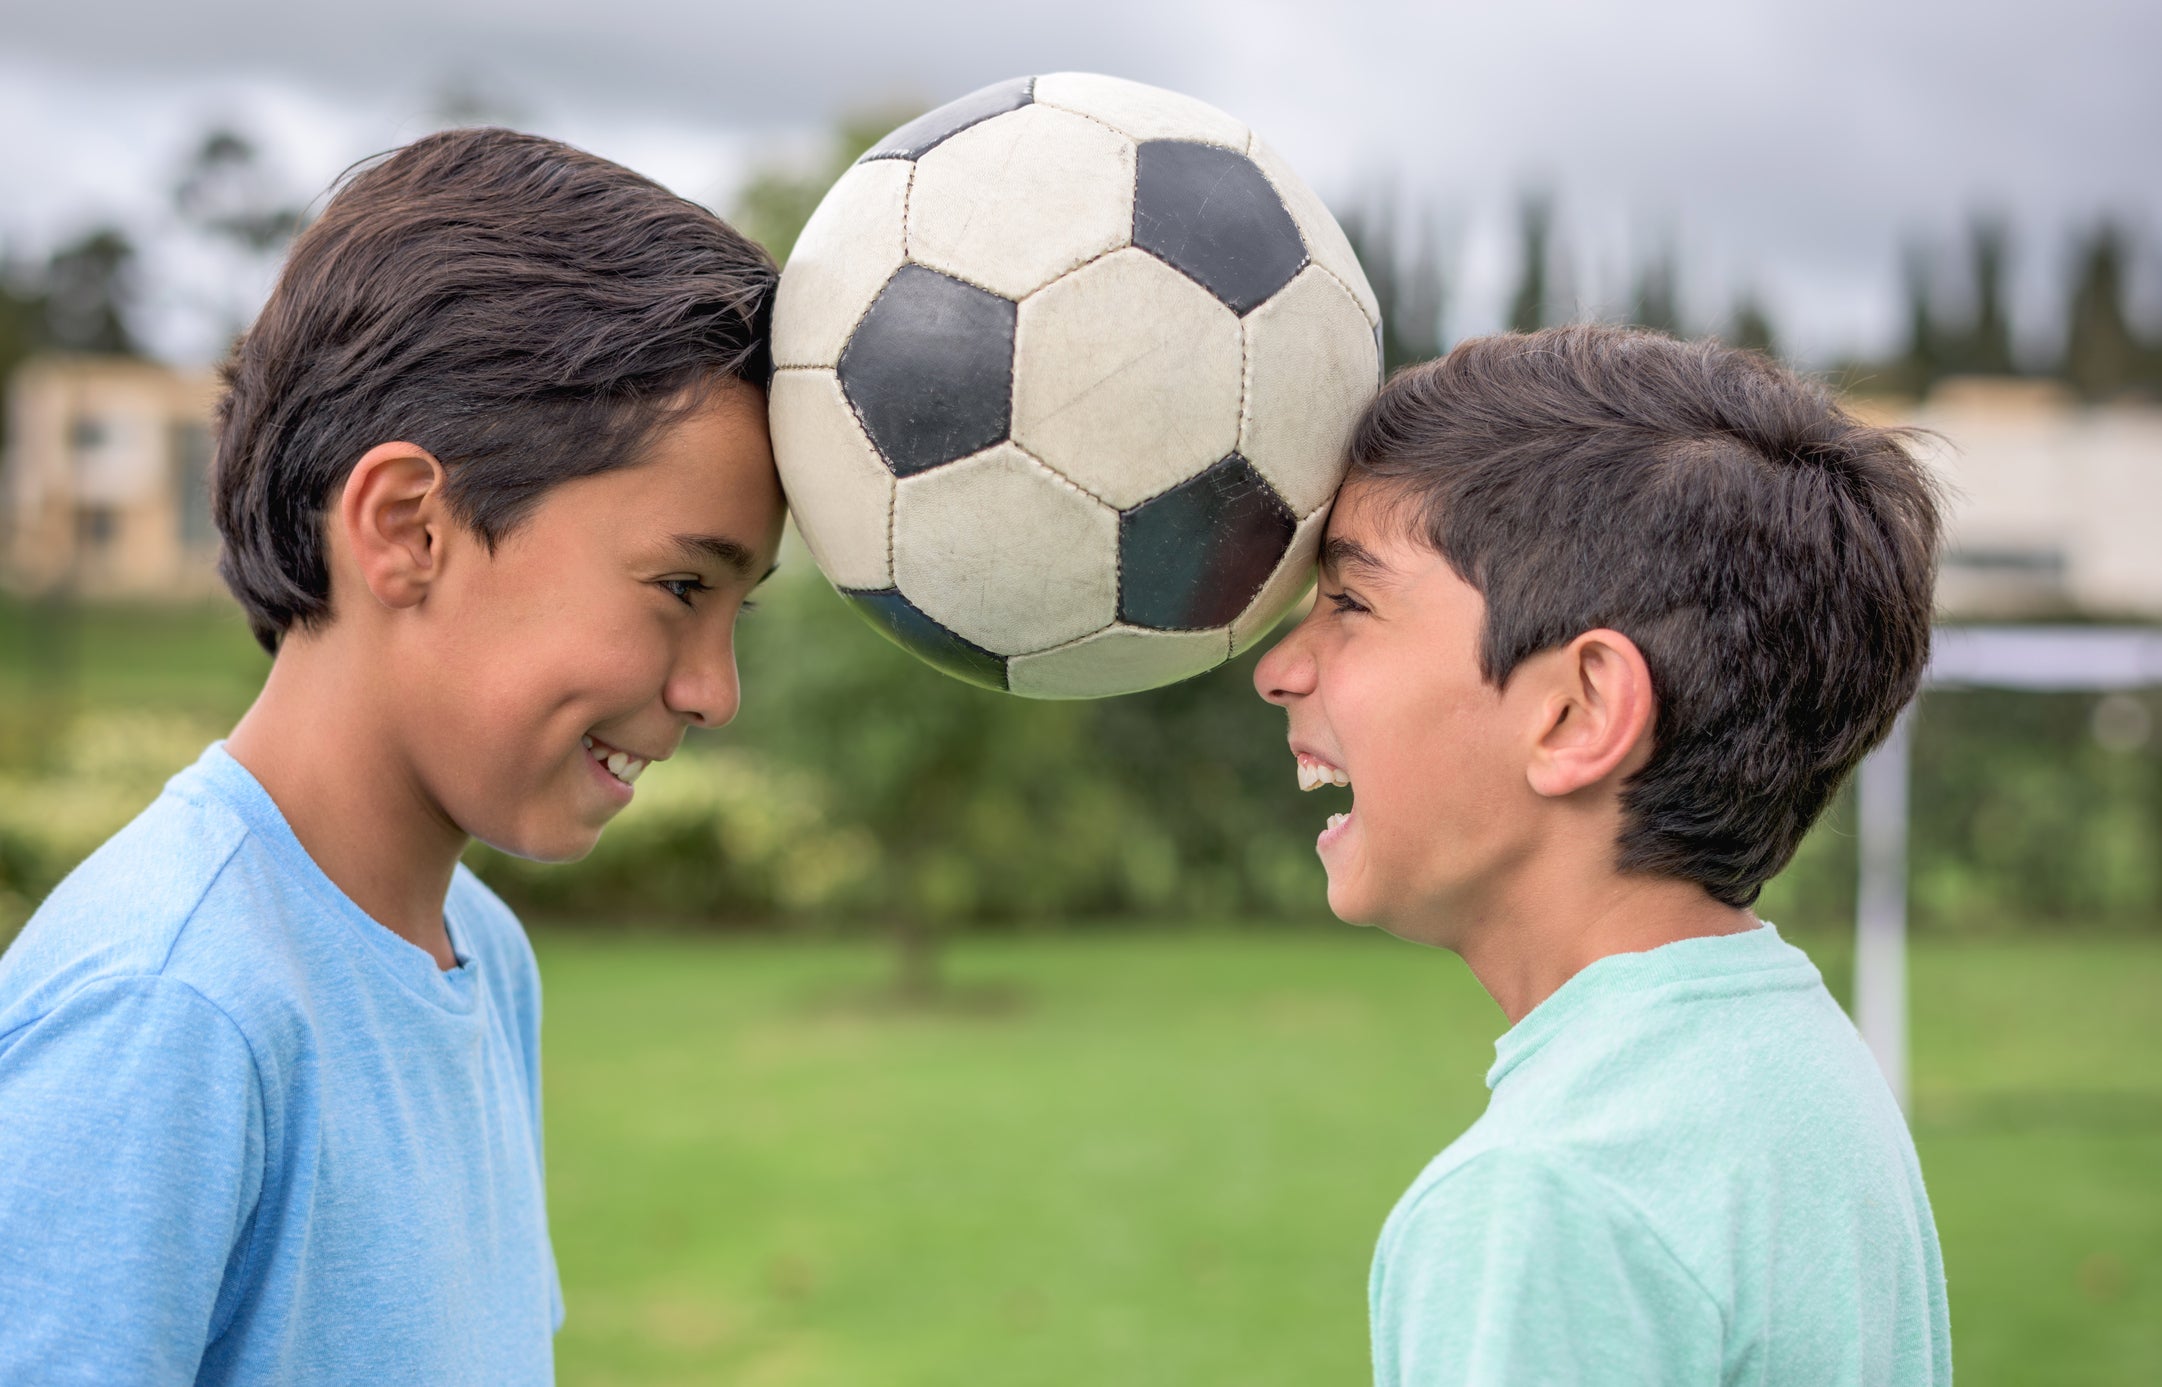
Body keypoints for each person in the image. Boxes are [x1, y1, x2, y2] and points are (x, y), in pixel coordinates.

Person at [0, 127, 782, 1382]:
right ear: (407, 528)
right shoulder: (170, 1006)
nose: (713, 689)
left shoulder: (486, 958)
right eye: (680, 583)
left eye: (740, 610)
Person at [1256, 325, 1950, 1385]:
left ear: (1576, 713)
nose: (1279, 668)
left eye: (1351, 601)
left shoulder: (1541, 1198)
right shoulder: (1796, 1066)